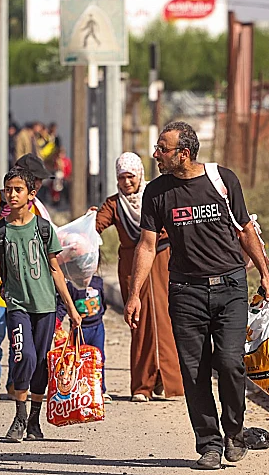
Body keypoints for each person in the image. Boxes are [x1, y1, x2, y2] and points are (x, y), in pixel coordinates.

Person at [125, 121, 269, 470]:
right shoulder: (157, 192)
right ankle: (209, 444)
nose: (155, 154)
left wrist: (265, 273)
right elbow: (147, 246)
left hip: (230, 287)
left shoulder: (222, 180)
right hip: (185, 292)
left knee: (229, 363)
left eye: (162, 149)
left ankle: (234, 433)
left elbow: (245, 230)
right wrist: (134, 294)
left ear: (184, 153)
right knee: (194, 372)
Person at [0, 167, 82, 442]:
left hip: (46, 306)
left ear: (31, 195)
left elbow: (56, 270)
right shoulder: (0, 232)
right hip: (17, 306)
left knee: (41, 364)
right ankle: (20, 415)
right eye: (8, 189)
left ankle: (34, 420)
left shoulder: (43, 228)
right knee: (24, 356)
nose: (11, 195)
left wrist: (72, 309)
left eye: (18, 190)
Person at [0, 153, 54, 403]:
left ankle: (16, 383)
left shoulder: (35, 208)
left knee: (19, 341)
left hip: (24, 287)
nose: (39, 184)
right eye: (36, 179)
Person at [94, 152, 184, 402]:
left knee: (166, 318)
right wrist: (87, 222)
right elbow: (96, 226)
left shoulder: (154, 197)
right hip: (132, 268)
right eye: (121, 178)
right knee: (139, 321)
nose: (126, 182)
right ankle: (142, 386)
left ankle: (167, 381)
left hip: (162, 260)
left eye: (130, 176)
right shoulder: (114, 204)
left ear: (140, 175)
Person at [56, 275, 111, 401]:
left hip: (97, 327)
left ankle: (100, 390)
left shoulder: (98, 282)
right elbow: (63, 305)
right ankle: (79, 389)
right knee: (78, 361)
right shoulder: (70, 286)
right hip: (79, 329)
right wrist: (57, 321)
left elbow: (103, 302)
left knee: (99, 358)